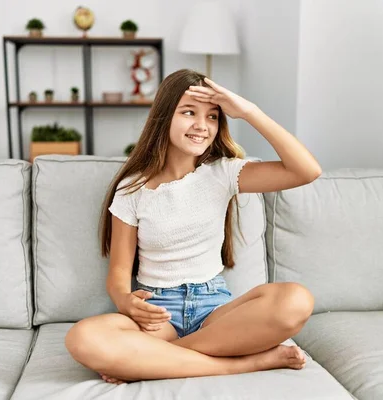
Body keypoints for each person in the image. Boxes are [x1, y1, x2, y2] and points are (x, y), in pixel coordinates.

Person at [65, 69, 322, 385]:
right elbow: (119, 274)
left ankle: (156, 361)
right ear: (164, 117)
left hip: (215, 314)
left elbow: (307, 171)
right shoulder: (133, 189)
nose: (202, 126)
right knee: (82, 337)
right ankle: (246, 364)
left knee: (296, 300)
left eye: (212, 117)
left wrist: (249, 112)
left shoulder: (224, 173)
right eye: (189, 112)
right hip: (158, 314)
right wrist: (125, 301)